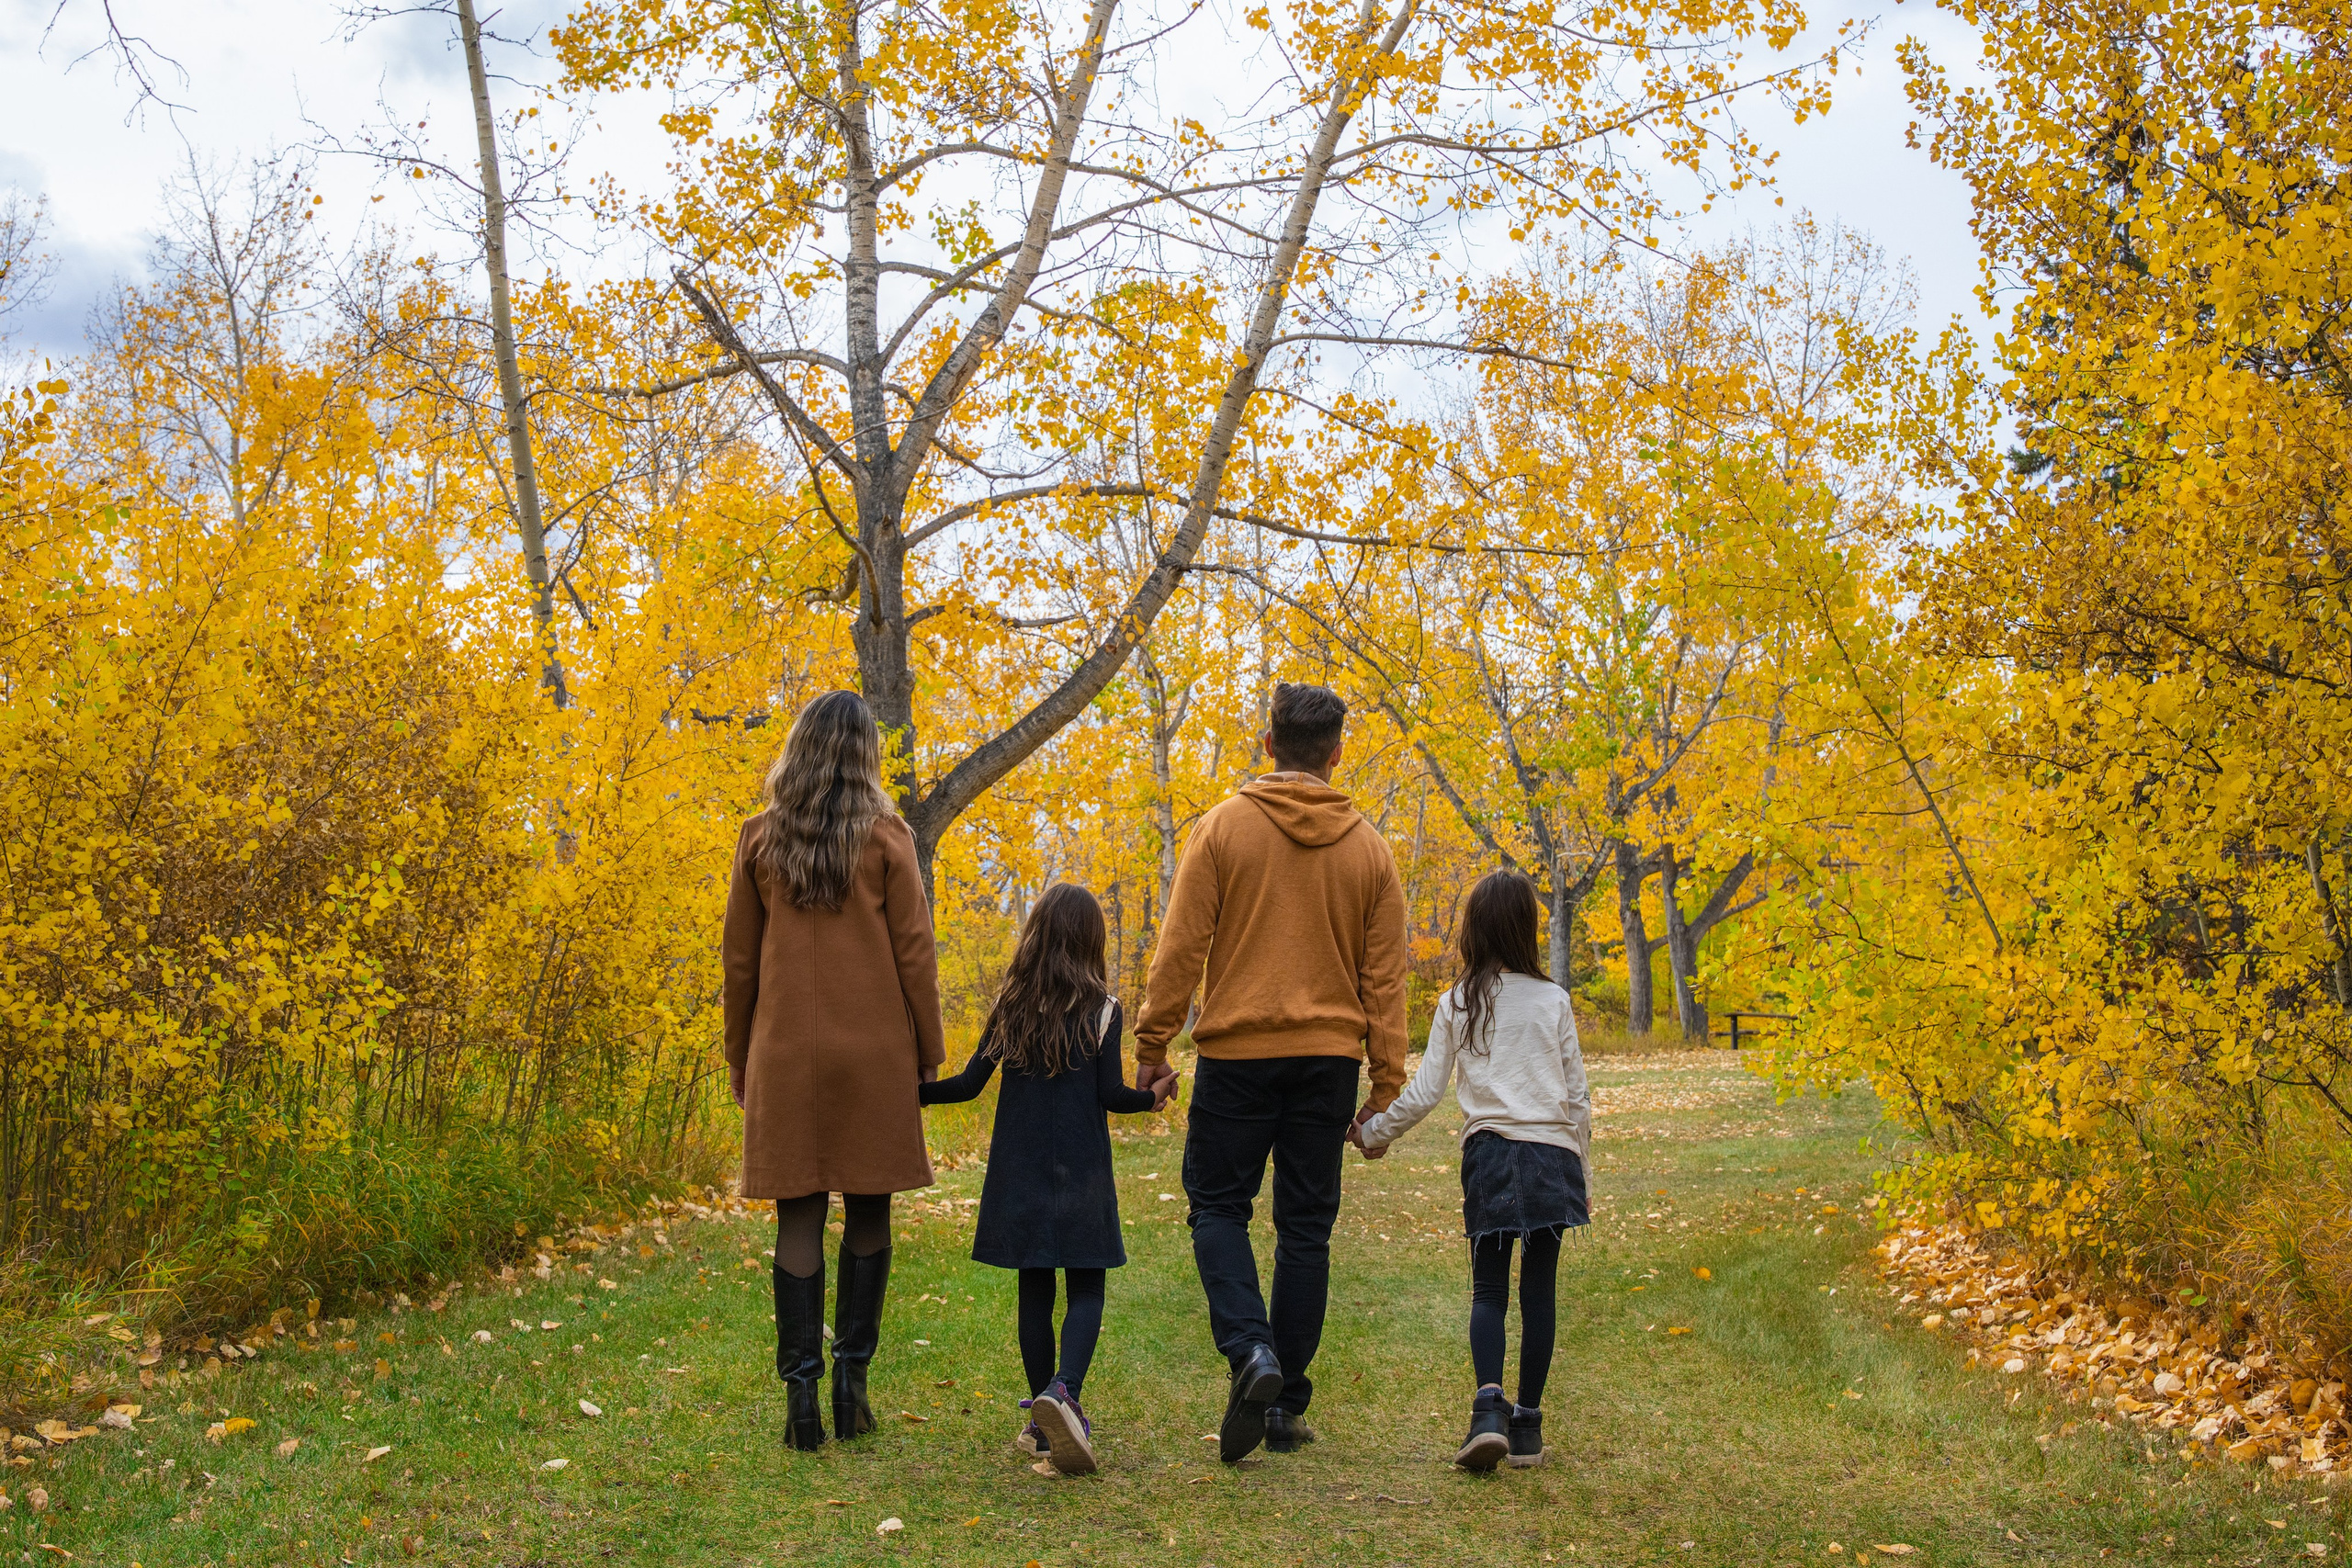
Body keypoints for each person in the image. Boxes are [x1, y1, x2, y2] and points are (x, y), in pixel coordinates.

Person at [1134, 681, 1410, 1462]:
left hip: (1238, 1055)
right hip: (1327, 1061)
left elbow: (1180, 948)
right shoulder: (1370, 849)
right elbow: (1385, 981)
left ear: (1267, 743)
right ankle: (1283, 1401)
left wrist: (1153, 1045)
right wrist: (1385, 1088)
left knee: (1217, 1207)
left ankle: (1251, 1351)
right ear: (1335, 752)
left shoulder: (1222, 829)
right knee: (1306, 1230)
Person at [722, 690, 946, 1451]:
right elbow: (915, 951)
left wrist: (737, 1052)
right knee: (872, 1213)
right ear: (863, 758)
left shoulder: (758, 839)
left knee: (799, 1218)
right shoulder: (888, 838)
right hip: (874, 1050)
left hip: (785, 1049)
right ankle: (852, 1382)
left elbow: (740, 964)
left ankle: (802, 1402)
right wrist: (928, 1051)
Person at [919, 884, 1171, 1475]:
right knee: (1086, 1286)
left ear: (1036, 936)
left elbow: (967, 1085)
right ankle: (1064, 1394)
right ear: (1091, 941)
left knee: (1034, 1288)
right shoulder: (1104, 1009)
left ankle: (1041, 1420)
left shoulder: (1012, 1006)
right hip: (1081, 1170)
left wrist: (912, 1093)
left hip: (1020, 1169)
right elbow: (1113, 1096)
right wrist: (1155, 1095)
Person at [1349, 868, 1591, 1472]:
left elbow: (1426, 1089)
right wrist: (1579, 1166)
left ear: (1473, 929)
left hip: (1491, 1152)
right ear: (1528, 930)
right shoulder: (1553, 999)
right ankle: (1528, 1427)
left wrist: (1373, 1132)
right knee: (1539, 1293)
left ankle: (1489, 1410)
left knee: (1489, 1288)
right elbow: (1578, 1097)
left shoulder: (1458, 1000)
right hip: (1552, 1153)